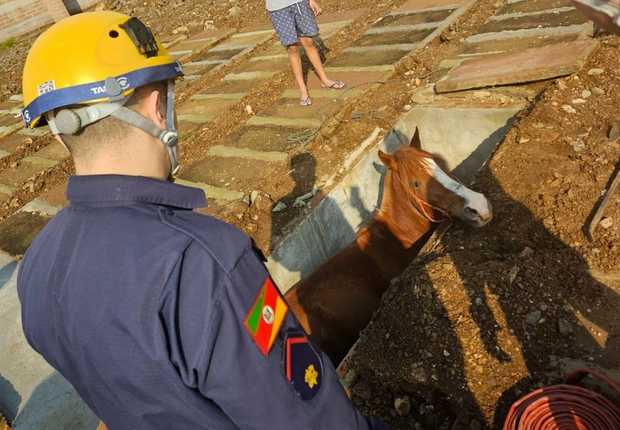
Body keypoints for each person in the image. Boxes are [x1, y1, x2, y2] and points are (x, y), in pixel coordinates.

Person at [17, 12, 388, 430]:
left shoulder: (35, 269)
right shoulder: (204, 264)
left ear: (56, 132)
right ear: (158, 109)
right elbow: (315, 421)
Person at [267, 0, 346, 107]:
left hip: (300, 3)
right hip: (278, 8)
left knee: (308, 42)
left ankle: (324, 79)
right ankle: (302, 89)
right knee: (292, 48)